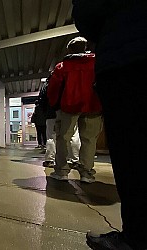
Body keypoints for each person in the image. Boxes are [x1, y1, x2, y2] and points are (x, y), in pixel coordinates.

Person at [72, 1, 147, 249]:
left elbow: (87, 12)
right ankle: (86, 170)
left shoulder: (65, 66)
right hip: (94, 102)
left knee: (130, 152)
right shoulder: (88, 62)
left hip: (124, 63)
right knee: (89, 139)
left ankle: (137, 237)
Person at [47, 36, 102, 183]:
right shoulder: (97, 63)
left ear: (69, 49)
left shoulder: (62, 67)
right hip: (93, 106)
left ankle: (62, 171)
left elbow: (53, 89)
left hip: (69, 106)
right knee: (89, 139)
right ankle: (86, 173)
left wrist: (54, 105)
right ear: (86, 47)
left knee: (63, 137)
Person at [37, 74, 81, 168]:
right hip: (70, 111)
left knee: (51, 137)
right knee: (73, 135)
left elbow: (41, 100)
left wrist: (45, 112)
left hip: (52, 113)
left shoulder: (48, 83)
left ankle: (50, 160)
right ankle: (75, 160)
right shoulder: (71, 79)